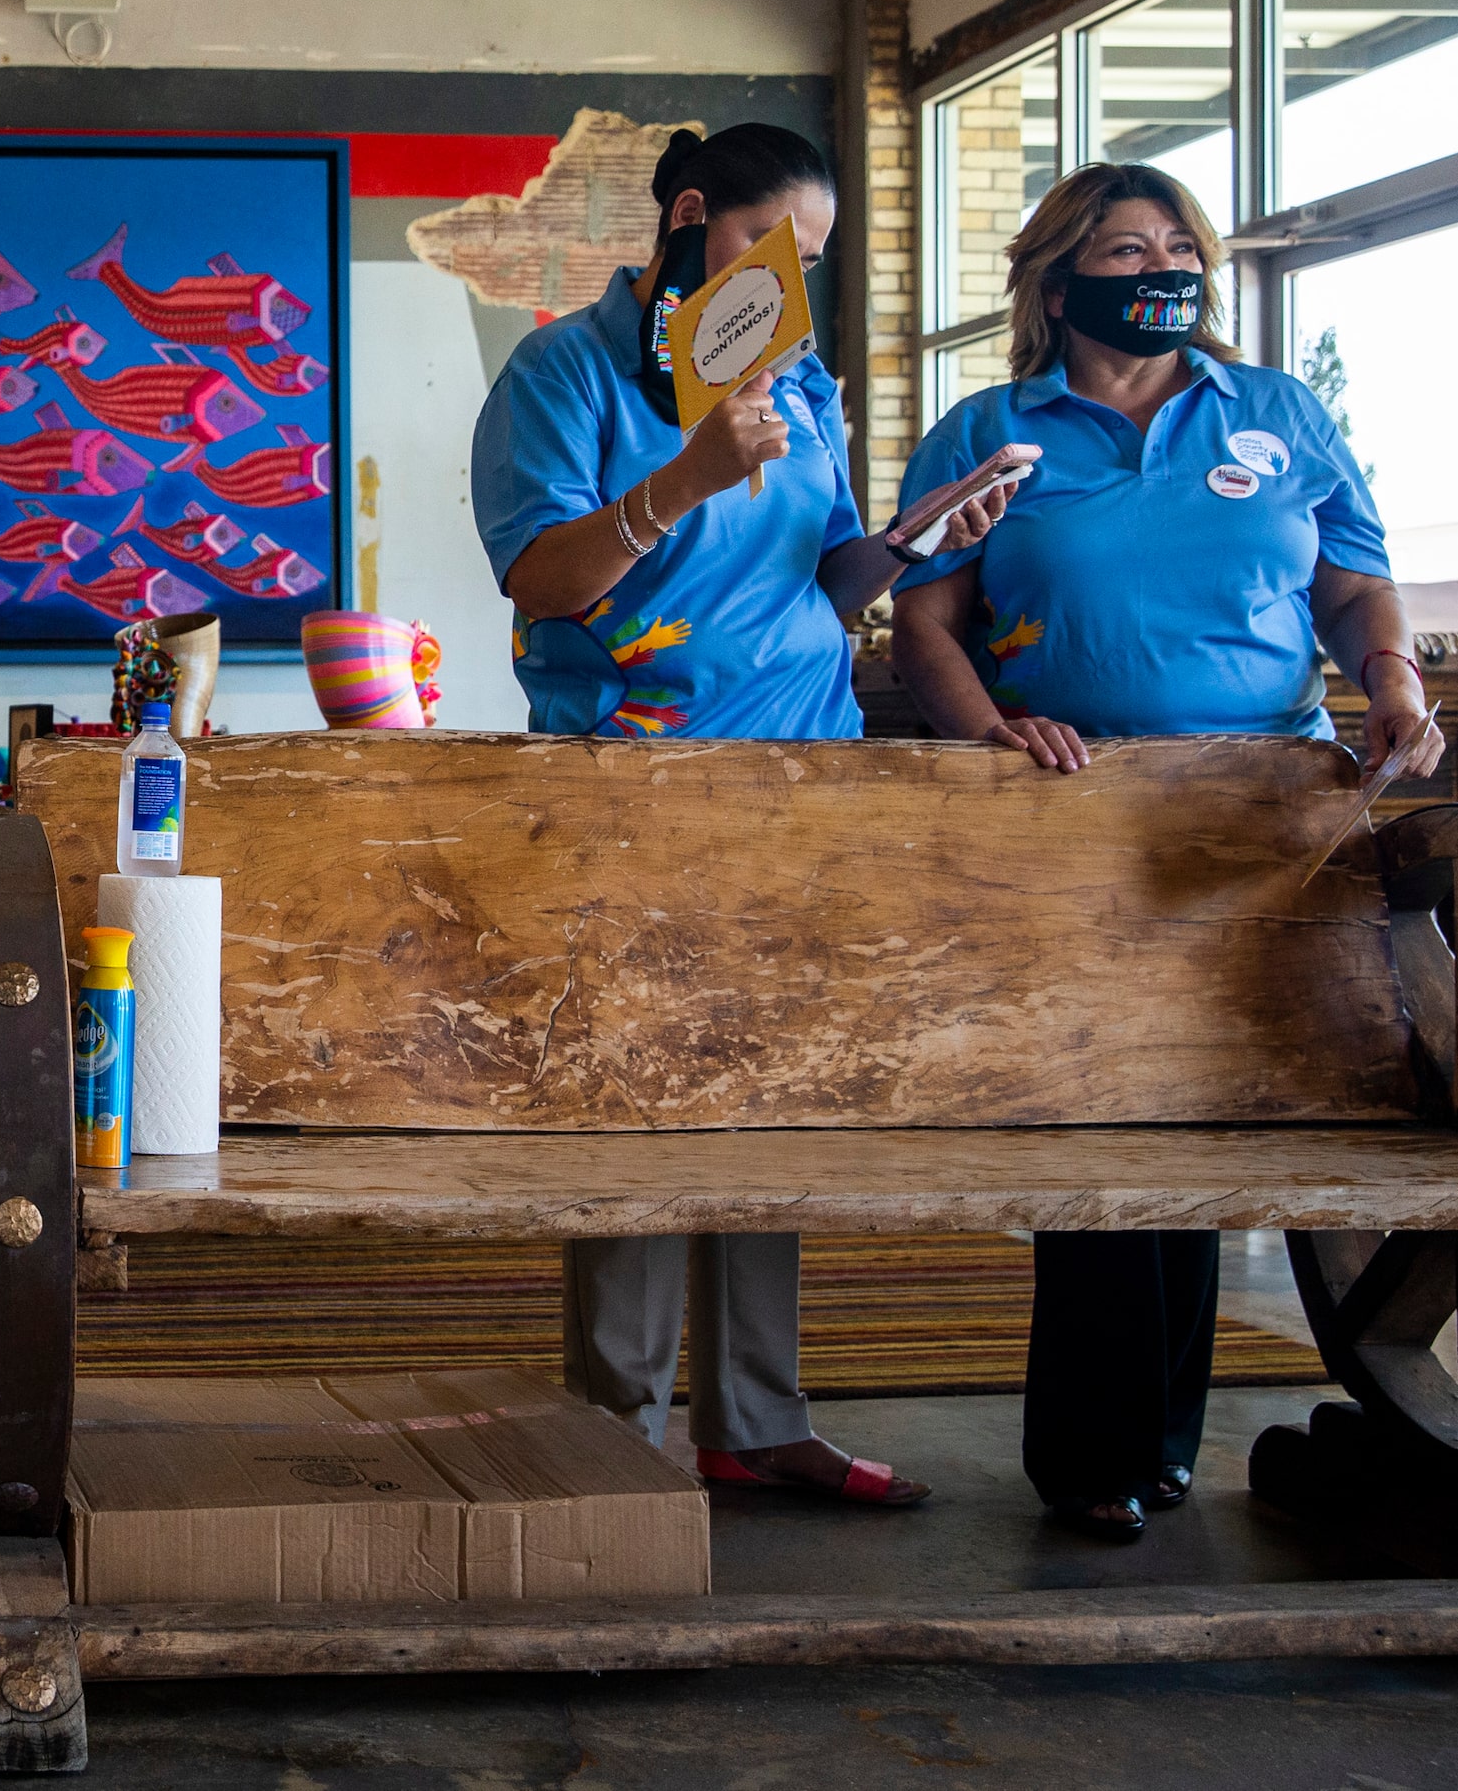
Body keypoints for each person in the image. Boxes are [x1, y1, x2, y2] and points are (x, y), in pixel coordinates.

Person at [887, 160, 1447, 1539]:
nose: (1160, 269)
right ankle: (1089, 1455)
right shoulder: (989, 425)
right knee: (1103, 1122)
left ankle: (1169, 1440)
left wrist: (1391, 678)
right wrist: (990, 733)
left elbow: (1352, 578)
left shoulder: (1272, 411)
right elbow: (924, 619)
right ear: (1058, 276)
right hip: (1076, 822)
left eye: (1175, 245)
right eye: (1124, 247)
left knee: (1221, 1120)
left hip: (1264, 815)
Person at [470, 123, 1011, 1506]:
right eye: (780, 248)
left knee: (770, 1100)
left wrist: (910, 545)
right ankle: (613, 1426)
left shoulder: (803, 385)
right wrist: (681, 479)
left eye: (815, 262)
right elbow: (542, 581)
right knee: (637, 1105)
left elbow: (809, 590)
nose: (795, 283)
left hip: (800, 784)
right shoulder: (564, 371)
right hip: (629, 788)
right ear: (696, 218)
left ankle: (755, 1416)